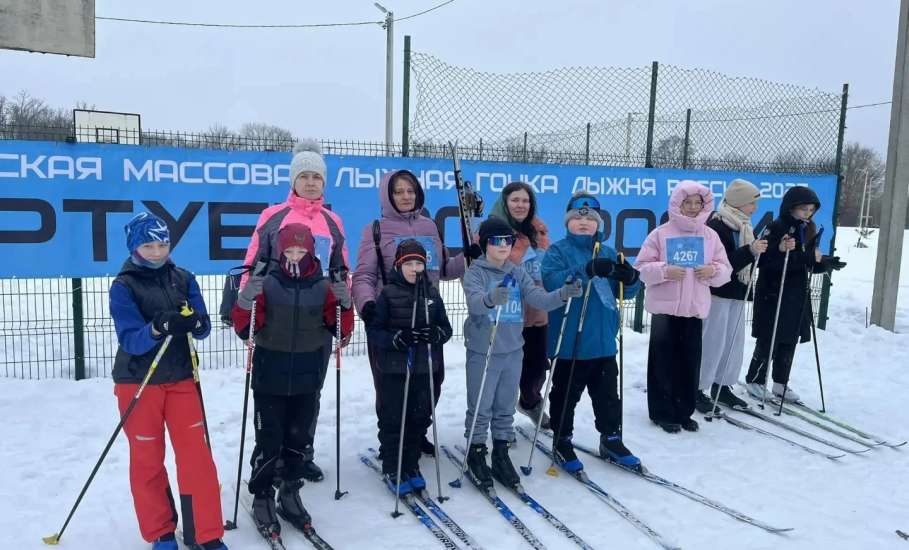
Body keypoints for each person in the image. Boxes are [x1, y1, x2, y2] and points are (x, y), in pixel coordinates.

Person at [109, 212, 227, 550]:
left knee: (196, 458)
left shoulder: (183, 278)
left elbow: (202, 323)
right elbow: (131, 339)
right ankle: (161, 530)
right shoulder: (124, 286)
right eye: (149, 245)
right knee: (147, 458)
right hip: (138, 380)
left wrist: (196, 324)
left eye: (163, 244)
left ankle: (204, 532)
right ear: (135, 246)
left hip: (180, 378)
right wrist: (159, 327)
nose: (158, 252)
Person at [231, 223, 353, 535]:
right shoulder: (268, 283)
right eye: (289, 251)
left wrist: (346, 303)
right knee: (269, 439)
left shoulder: (323, 285)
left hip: (307, 373)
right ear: (279, 251)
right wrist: (245, 300)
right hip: (271, 371)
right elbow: (245, 328)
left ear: (312, 252)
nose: (295, 257)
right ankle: (262, 495)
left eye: (301, 251)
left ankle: (289, 491)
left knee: (299, 439)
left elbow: (341, 330)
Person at [241, 139, 350, 481]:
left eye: (316, 177)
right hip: (276, 317)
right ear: (293, 180)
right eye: (304, 176)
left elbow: (339, 269)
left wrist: (342, 319)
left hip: (314, 321)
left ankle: (301, 453)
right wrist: (248, 314)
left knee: (309, 392)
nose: (311, 182)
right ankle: (268, 456)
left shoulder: (333, 221)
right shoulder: (273, 217)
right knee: (272, 394)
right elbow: (252, 264)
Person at [461, 216, 582, 489]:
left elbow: (538, 299)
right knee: (481, 404)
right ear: (484, 244)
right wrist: (491, 298)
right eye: (497, 241)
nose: (504, 246)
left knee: (505, 405)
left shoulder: (517, 271)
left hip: (513, 350)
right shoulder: (476, 272)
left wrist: (563, 293)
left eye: (508, 241)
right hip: (485, 351)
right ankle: (476, 450)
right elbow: (475, 304)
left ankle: (501, 452)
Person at [351, 169, 465, 454]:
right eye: (398, 191)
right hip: (392, 319)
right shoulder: (375, 229)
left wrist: (470, 256)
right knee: (392, 386)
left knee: (429, 383)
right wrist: (368, 307)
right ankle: (393, 442)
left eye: (410, 190)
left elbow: (444, 269)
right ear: (387, 195)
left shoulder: (429, 226)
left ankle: (416, 432)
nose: (405, 196)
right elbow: (364, 274)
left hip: (426, 316)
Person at [541, 192, 642, 470]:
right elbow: (551, 282)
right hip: (570, 341)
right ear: (567, 223)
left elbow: (627, 292)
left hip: (604, 342)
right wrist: (585, 269)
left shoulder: (609, 253)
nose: (583, 223)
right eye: (576, 218)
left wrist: (631, 279)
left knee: (608, 395)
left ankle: (611, 437)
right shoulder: (557, 251)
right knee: (565, 396)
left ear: (598, 224)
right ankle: (562, 439)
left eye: (590, 219)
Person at [634, 181, 732, 434]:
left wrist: (712, 271)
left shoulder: (710, 236)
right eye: (686, 203)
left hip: (693, 310)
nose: (691, 208)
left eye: (696, 203)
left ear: (704, 205)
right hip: (665, 312)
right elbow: (642, 268)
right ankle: (662, 411)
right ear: (677, 204)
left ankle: (684, 410)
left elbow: (725, 270)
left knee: (689, 363)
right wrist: (664, 271)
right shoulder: (660, 234)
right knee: (662, 363)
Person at [366, 239, 453, 493]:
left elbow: (446, 329)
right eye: (409, 263)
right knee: (395, 419)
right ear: (399, 265)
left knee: (418, 417)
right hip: (396, 368)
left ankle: (411, 464)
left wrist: (436, 334)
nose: (414, 268)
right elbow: (375, 330)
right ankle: (393, 466)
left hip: (424, 368)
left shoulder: (432, 294)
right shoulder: (388, 294)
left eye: (419, 263)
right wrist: (395, 339)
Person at [744, 186, 846, 402]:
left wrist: (824, 263)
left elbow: (806, 262)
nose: (807, 214)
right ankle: (755, 379)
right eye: (803, 209)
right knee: (769, 339)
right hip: (774, 292)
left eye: (811, 210)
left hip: (796, 294)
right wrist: (786, 252)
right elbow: (765, 261)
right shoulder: (777, 227)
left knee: (789, 339)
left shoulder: (809, 228)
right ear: (790, 208)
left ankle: (781, 383)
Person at [696, 179, 769, 412]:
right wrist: (750, 251)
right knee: (712, 341)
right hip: (718, 292)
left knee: (733, 342)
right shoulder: (718, 225)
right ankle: (697, 388)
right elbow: (723, 263)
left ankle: (722, 384)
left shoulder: (744, 225)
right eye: (751, 203)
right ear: (738, 202)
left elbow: (748, 261)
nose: (754, 208)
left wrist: (758, 252)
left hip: (738, 291)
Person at [487, 181, 553, 430]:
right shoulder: (490, 229)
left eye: (525, 200)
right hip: (506, 314)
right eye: (515, 200)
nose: (520, 205)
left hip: (536, 312)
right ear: (505, 202)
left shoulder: (539, 232)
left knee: (536, 368)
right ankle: (500, 420)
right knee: (504, 372)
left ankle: (529, 401)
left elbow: (547, 267)